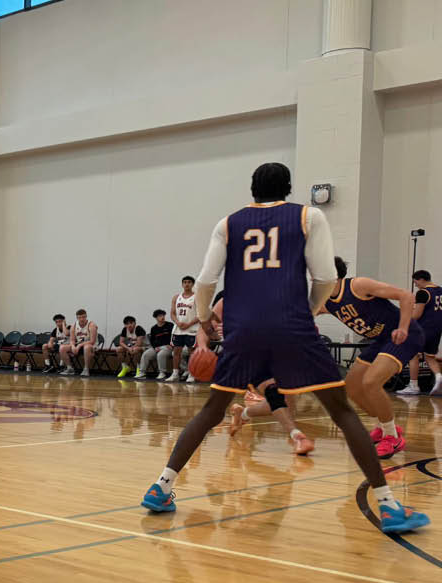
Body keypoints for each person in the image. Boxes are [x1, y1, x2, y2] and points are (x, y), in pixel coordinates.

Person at [140, 162, 428, 533]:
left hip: (243, 330)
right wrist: (306, 312)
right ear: (289, 188)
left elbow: (206, 280)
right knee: (342, 412)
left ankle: (161, 486)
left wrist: (206, 318)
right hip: (292, 325)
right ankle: (388, 506)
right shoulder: (309, 216)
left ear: (252, 189)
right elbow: (325, 277)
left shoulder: (228, 223)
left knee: (212, 410)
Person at [319, 257, 423, 458]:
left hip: (403, 335)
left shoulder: (358, 285)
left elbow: (406, 296)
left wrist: (403, 327)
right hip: (380, 340)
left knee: (371, 382)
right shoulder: (325, 301)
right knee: (352, 386)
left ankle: (392, 438)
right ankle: (385, 426)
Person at [206, 293, 315, 455]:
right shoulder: (226, 299)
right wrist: (204, 344)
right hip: (245, 353)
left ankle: (243, 414)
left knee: (288, 399)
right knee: (273, 393)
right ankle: (297, 436)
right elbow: (206, 324)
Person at [403, 269, 442, 396]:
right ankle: (439, 378)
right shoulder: (440, 290)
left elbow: (417, 314)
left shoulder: (423, 293)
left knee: (413, 355)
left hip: (423, 329)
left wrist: (404, 316)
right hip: (437, 329)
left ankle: (413, 385)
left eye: (416, 282)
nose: (415, 285)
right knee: (430, 357)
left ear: (421, 279)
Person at [167, 276, 199, 382]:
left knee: (191, 352)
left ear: (193, 284)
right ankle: (175, 373)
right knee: (176, 352)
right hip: (178, 328)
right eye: (184, 282)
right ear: (182, 284)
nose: (186, 284)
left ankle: (191, 374)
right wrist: (177, 322)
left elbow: (200, 315)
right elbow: (172, 313)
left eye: (189, 282)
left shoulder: (197, 297)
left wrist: (189, 324)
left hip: (192, 329)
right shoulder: (176, 297)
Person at [136, 309, 174, 379]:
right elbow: (152, 340)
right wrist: (155, 347)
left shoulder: (170, 325)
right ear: (156, 318)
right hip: (157, 347)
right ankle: (142, 373)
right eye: (160, 316)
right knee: (146, 354)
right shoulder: (153, 328)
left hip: (167, 347)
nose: (162, 317)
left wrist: (171, 344)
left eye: (163, 315)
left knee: (160, 354)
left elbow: (174, 336)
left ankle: (162, 373)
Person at [59, 309, 97, 376]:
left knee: (87, 347)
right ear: (77, 318)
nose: (82, 319)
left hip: (91, 346)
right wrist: (73, 346)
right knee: (62, 347)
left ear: (86, 316)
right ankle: (69, 368)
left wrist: (79, 345)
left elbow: (92, 341)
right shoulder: (74, 325)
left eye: (83, 317)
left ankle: (86, 369)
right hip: (79, 345)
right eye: (80, 317)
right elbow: (72, 340)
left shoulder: (91, 325)